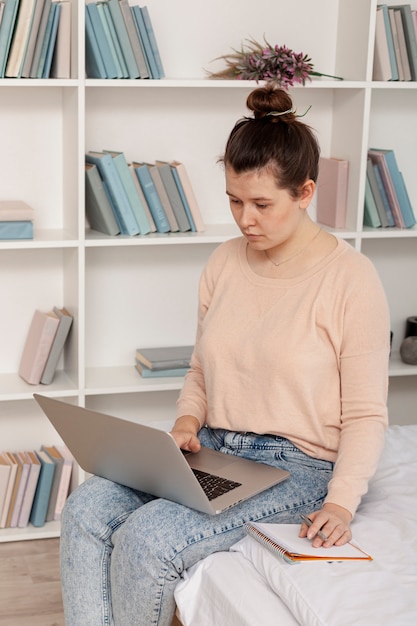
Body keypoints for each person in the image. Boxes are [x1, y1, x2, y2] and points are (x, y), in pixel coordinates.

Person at [60, 85, 390, 626]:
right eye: (235, 200)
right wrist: (187, 421)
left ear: (305, 192)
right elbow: (201, 368)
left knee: (149, 540)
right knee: (87, 508)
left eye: (262, 204)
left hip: (296, 468)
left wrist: (340, 503)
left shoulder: (351, 280)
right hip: (214, 448)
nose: (245, 218)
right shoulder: (223, 262)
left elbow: (366, 414)